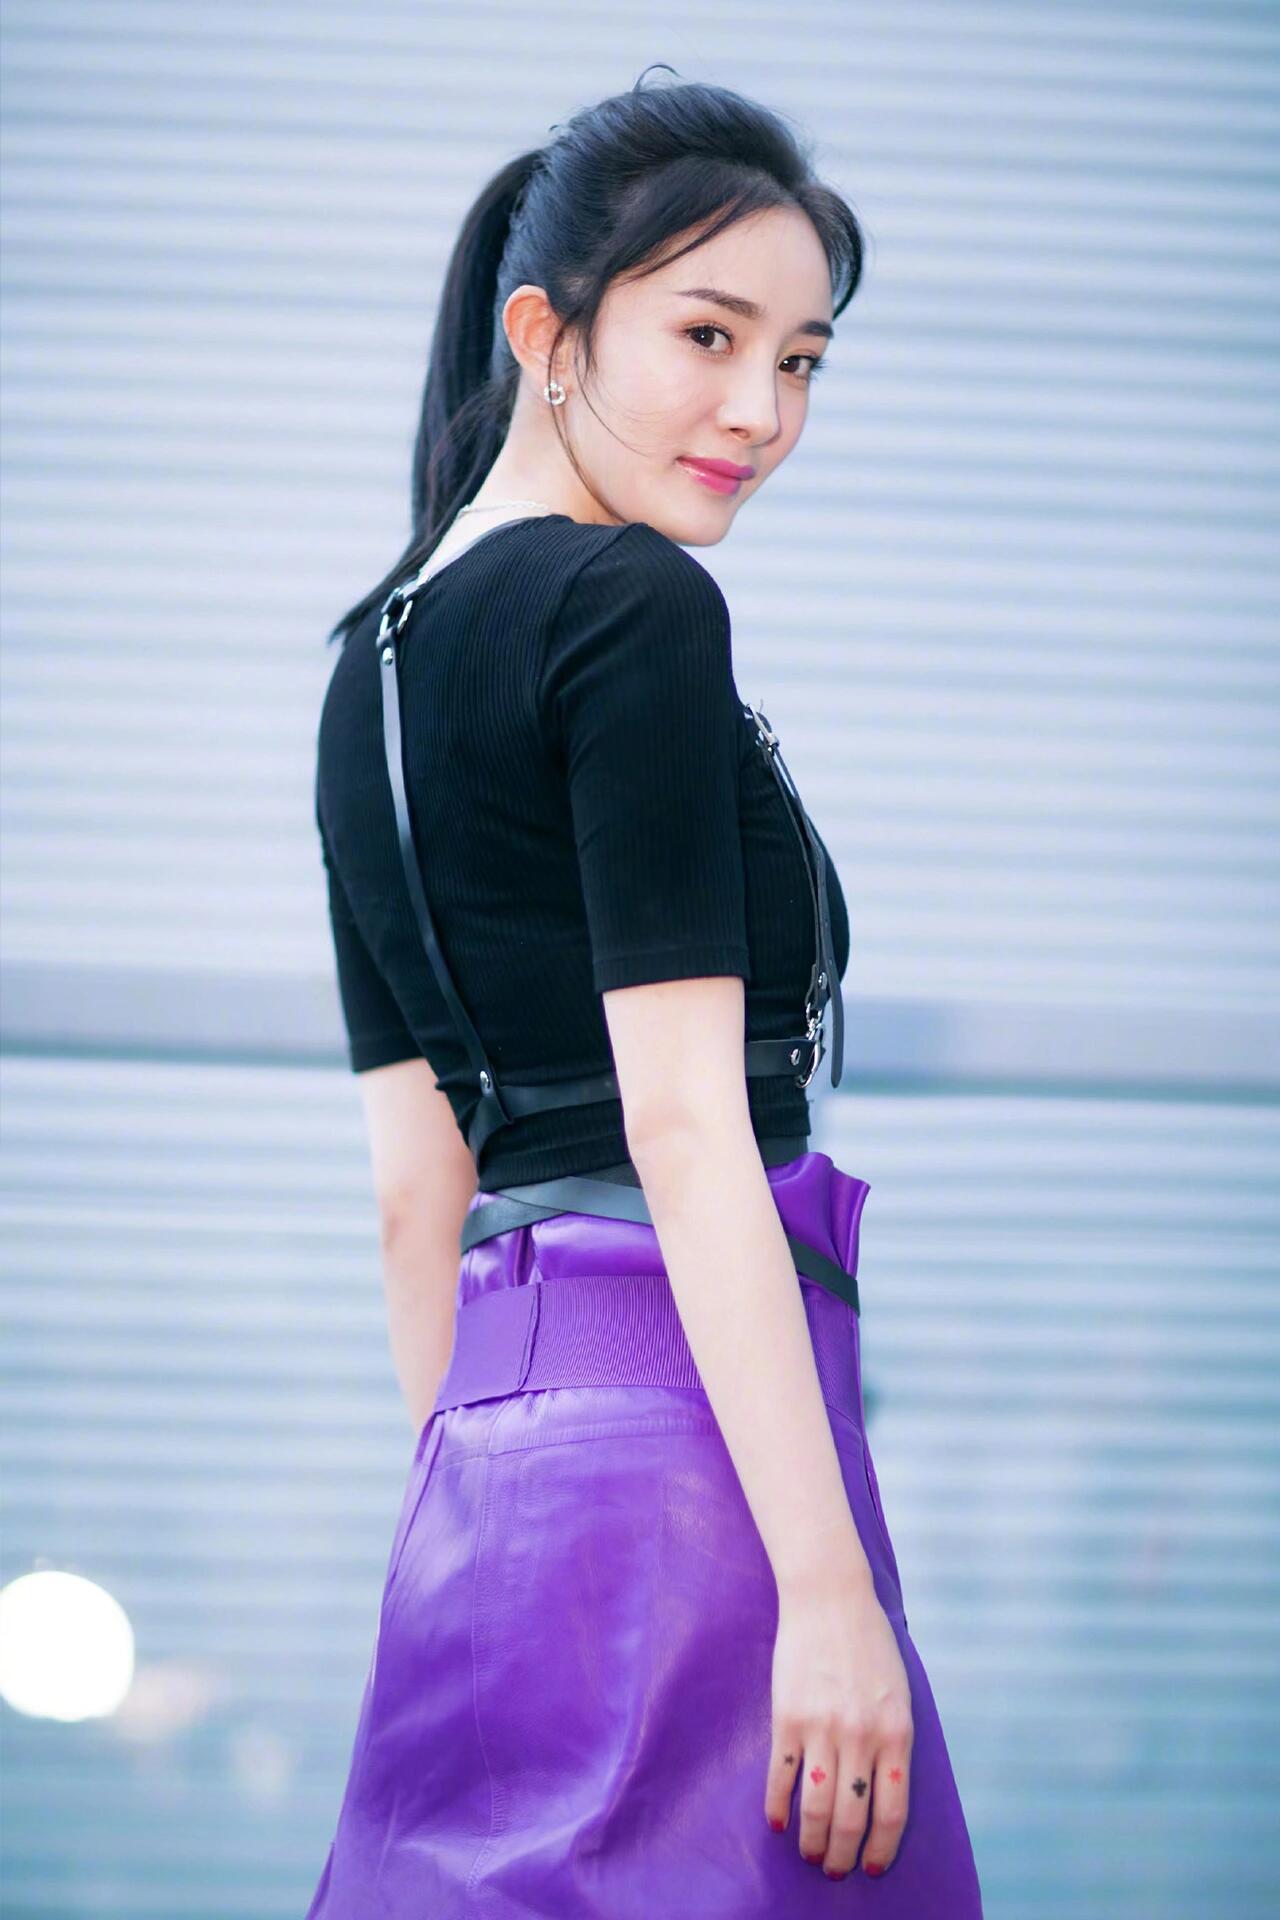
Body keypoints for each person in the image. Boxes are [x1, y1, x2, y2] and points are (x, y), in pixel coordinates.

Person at [305, 66, 983, 1919]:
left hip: (479, 1483)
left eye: (804, 360)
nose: (762, 411)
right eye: (709, 334)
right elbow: (685, 1127)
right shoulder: (630, 609)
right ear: (546, 336)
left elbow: (413, 1201)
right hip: (708, 1461)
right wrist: (825, 1591)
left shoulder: (366, 673)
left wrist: (481, 1512)